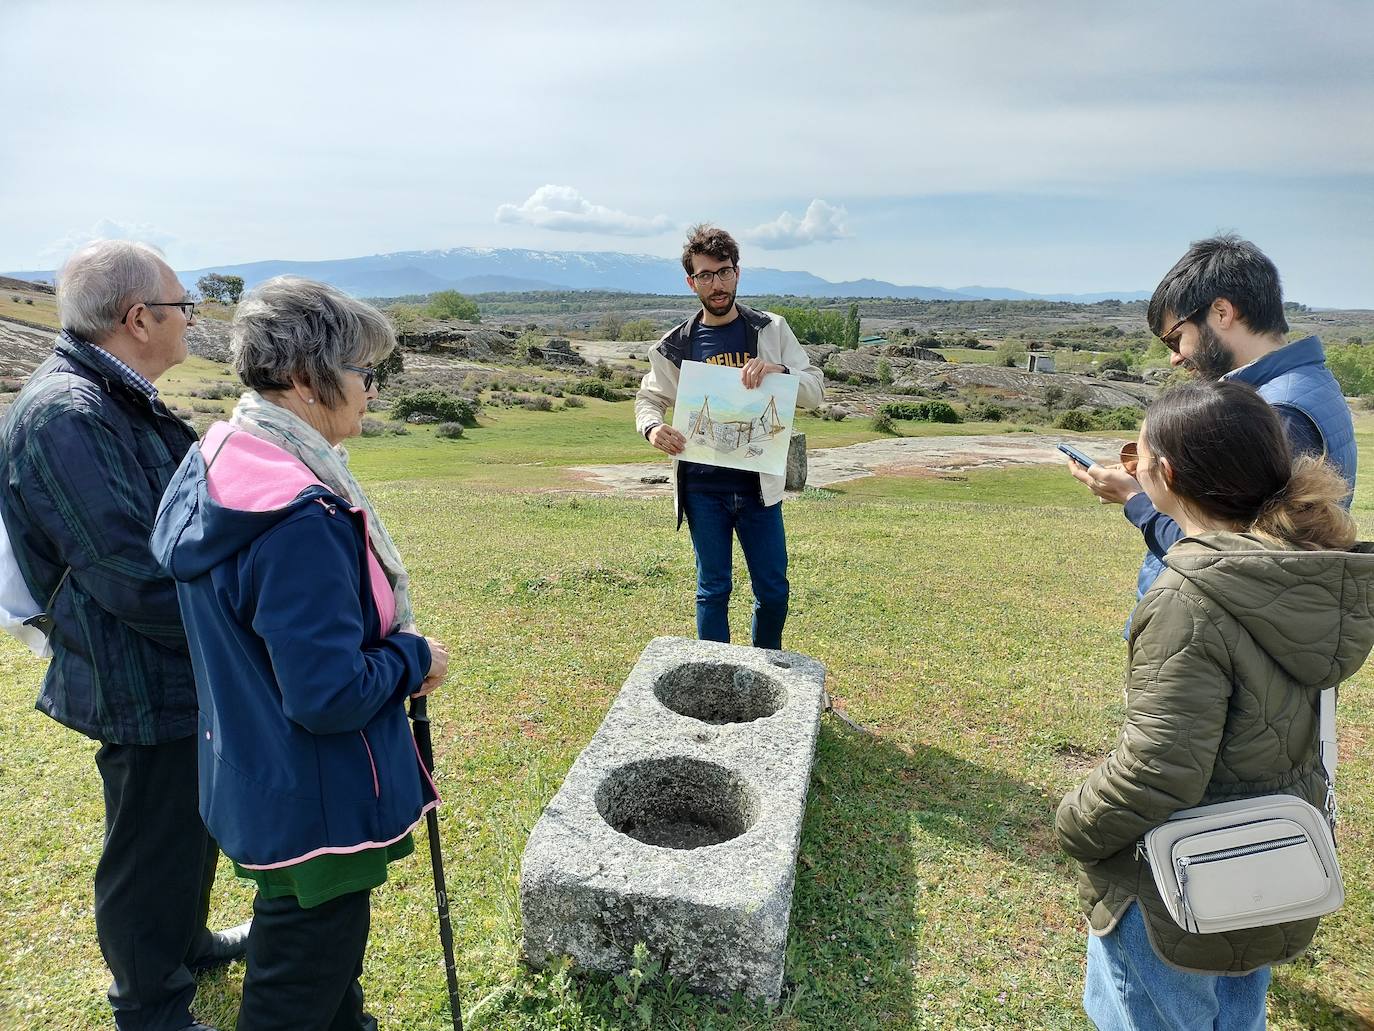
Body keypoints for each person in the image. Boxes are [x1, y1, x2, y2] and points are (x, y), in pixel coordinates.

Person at [152, 276, 449, 1031]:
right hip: (316, 797)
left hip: (259, 774)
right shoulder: (299, 516)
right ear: (302, 379)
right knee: (299, 974)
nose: (372, 390)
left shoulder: (222, 456)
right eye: (362, 372)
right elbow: (326, 693)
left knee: (322, 957)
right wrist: (414, 658)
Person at [1055, 380, 1374, 1031]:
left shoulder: (1189, 596)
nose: (1133, 468)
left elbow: (1158, 770)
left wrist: (1075, 823)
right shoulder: (1303, 569)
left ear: (1165, 474)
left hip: (1174, 881)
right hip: (1267, 863)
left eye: (1137, 456)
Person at [0, 240, 247, 1031]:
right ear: (139, 319)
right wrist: (234, 636)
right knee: (147, 838)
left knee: (184, 818)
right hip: (134, 666)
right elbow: (126, 569)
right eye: (184, 307)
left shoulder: (109, 391)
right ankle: (149, 1004)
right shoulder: (70, 412)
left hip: (164, 660)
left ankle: (186, 942)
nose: (190, 320)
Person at [1068, 234, 1357, 599]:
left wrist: (1135, 500)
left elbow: (1236, 558)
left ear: (1221, 312)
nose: (1174, 357)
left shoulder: (1275, 413)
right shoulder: (1298, 386)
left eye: (1176, 338)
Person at [635, 224, 823, 648]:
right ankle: (715, 677)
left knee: (773, 592)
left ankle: (767, 667)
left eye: (723, 272)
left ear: (737, 273)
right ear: (691, 282)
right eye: (705, 275)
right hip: (702, 488)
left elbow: (816, 390)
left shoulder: (770, 330)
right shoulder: (674, 346)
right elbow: (648, 399)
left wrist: (782, 373)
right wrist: (652, 428)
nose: (715, 284)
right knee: (713, 591)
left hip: (758, 489)